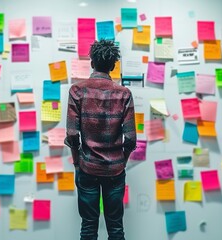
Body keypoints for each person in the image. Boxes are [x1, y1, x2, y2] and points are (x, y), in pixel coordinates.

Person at [64, 39, 137, 240]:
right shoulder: (124, 94)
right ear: (113, 66)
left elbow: (72, 135)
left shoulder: (77, 91)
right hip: (115, 170)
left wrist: (78, 162)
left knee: (88, 227)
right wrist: (121, 161)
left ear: (92, 62)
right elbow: (130, 138)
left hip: (87, 168)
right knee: (115, 228)